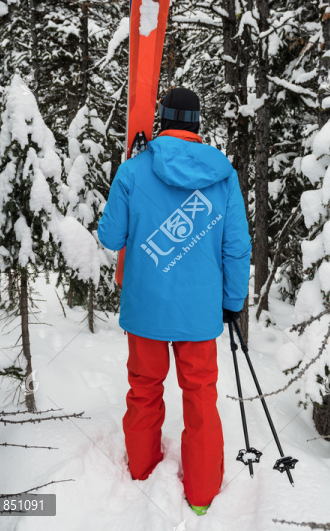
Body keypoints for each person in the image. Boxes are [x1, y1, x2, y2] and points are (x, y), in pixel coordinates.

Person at [96, 87, 251, 516]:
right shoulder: (224, 175)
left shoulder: (133, 171)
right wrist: (232, 301)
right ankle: (201, 496)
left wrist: (131, 172)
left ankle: (142, 474)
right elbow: (237, 247)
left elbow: (110, 236)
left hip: (145, 308)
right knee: (200, 396)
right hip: (200, 313)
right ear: (198, 125)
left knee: (144, 390)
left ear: (162, 120)